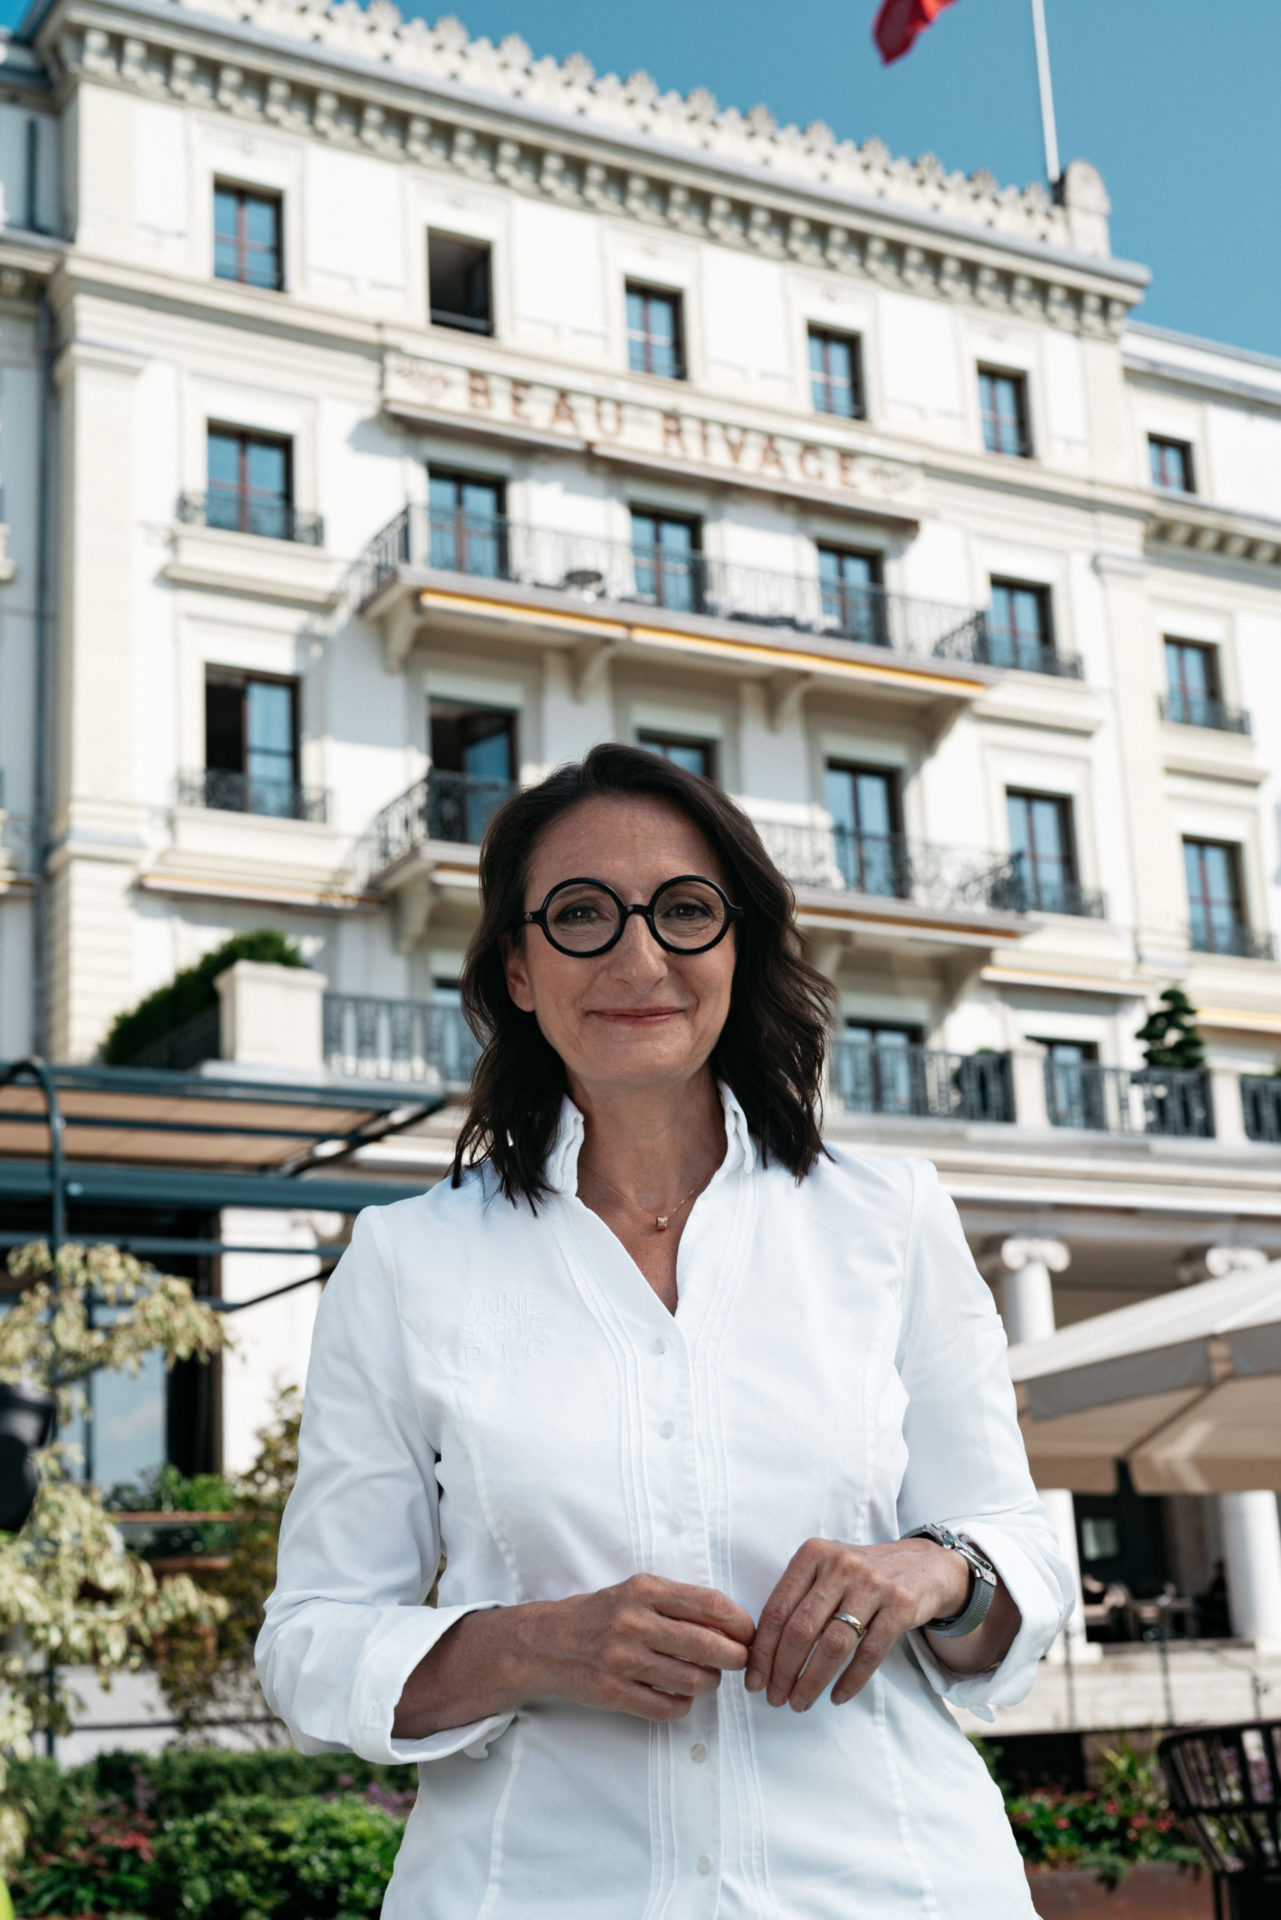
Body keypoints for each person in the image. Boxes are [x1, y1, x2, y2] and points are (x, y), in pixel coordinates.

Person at [257, 743, 1074, 1917]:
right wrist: (533, 1646)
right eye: (582, 915)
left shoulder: (888, 1219)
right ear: (519, 973)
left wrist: (933, 1569)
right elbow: (310, 1642)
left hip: (893, 1883)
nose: (640, 956)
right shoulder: (405, 1262)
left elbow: (1023, 1548)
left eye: (685, 911)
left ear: (736, 945)